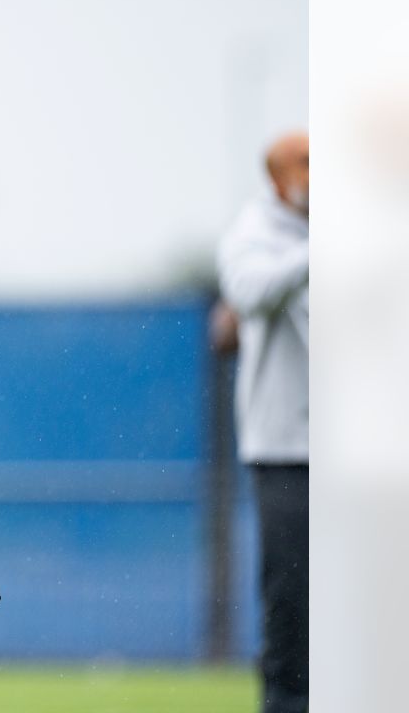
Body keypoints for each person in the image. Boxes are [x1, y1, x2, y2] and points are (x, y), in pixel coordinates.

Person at [217, 131, 308, 713]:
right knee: (292, 603)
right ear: (277, 177)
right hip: (286, 451)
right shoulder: (254, 234)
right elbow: (248, 293)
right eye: (305, 166)